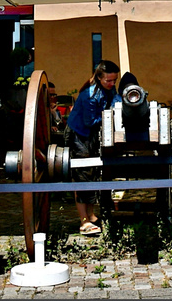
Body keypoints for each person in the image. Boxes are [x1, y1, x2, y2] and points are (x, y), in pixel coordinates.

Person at [66, 60, 121, 236]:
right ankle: (84, 221)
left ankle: (91, 214)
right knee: (83, 176)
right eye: (108, 81)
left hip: (94, 135)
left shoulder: (108, 88)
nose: (112, 84)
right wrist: (112, 115)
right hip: (80, 135)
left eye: (114, 80)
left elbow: (115, 98)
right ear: (99, 78)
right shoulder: (90, 95)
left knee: (93, 174)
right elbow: (91, 122)